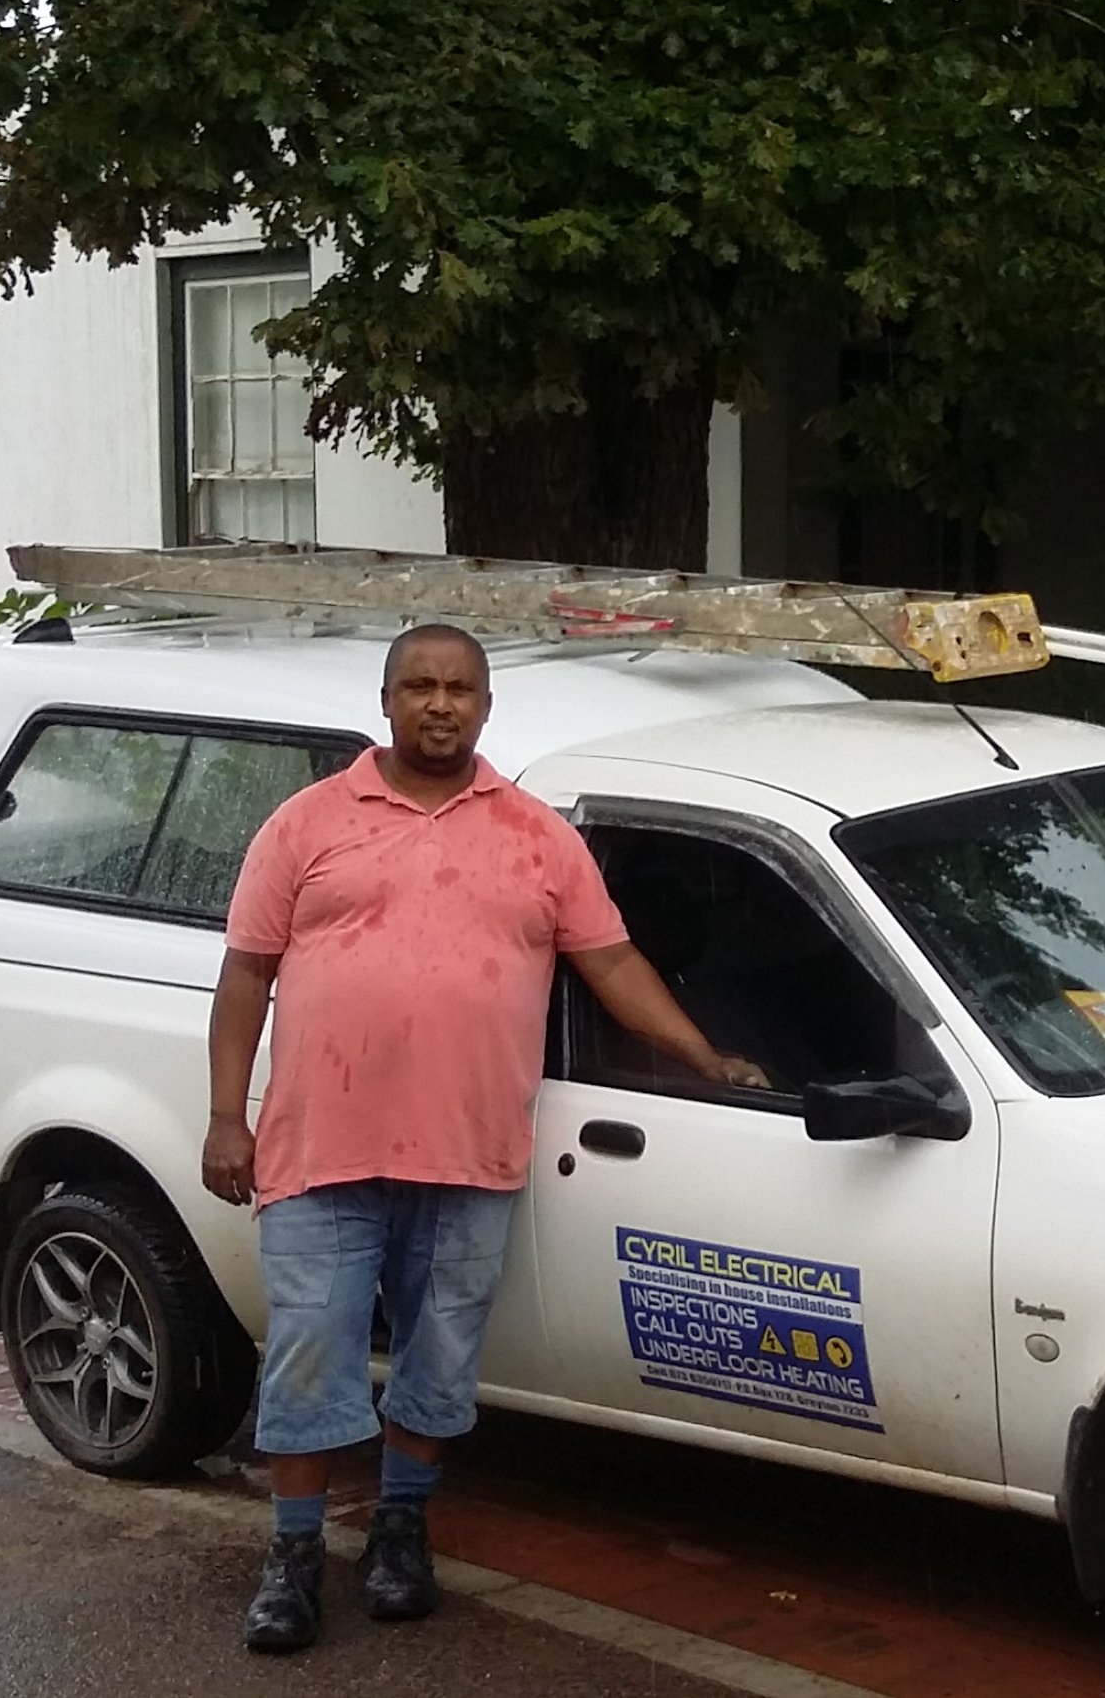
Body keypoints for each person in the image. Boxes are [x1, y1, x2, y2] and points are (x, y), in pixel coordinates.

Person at [206, 622, 765, 1652]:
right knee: (308, 1352)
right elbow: (246, 973)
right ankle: (292, 1556)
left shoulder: (537, 836)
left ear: (485, 707)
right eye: (419, 685)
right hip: (320, 1152)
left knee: (442, 1353)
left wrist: (702, 1055)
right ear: (386, 701)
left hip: (471, 1155)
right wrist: (224, 1116)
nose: (439, 704)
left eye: (458, 688)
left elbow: (612, 962)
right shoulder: (305, 824)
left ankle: (400, 1533)